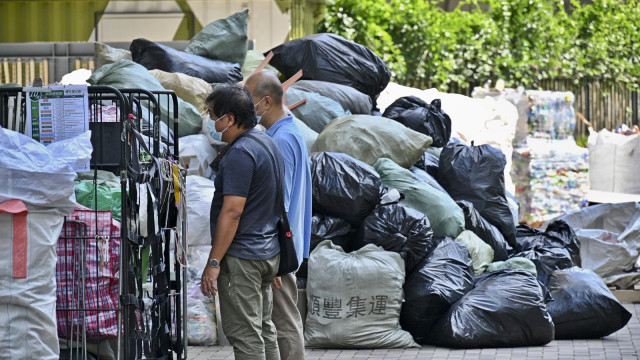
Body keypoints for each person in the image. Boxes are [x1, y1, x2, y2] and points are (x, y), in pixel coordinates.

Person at [200, 84, 284, 360]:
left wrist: (213, 263)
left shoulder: (240, 154)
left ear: (230, 119)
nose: (212, 122)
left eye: (214, 115)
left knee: (246, 335)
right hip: (267, 252)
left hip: (243, 259)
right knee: (263, 328)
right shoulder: (267, 143)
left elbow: (233, 212)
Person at [245, 71, 312, 360]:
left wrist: (272, 258)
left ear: (267, 101)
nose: (247, 107)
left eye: (250, 101)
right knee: (281, 320)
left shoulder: (282, 140)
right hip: (284, 245)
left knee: (284, 322)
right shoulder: (286, 132)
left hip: (280, 250)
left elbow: (278, 204)